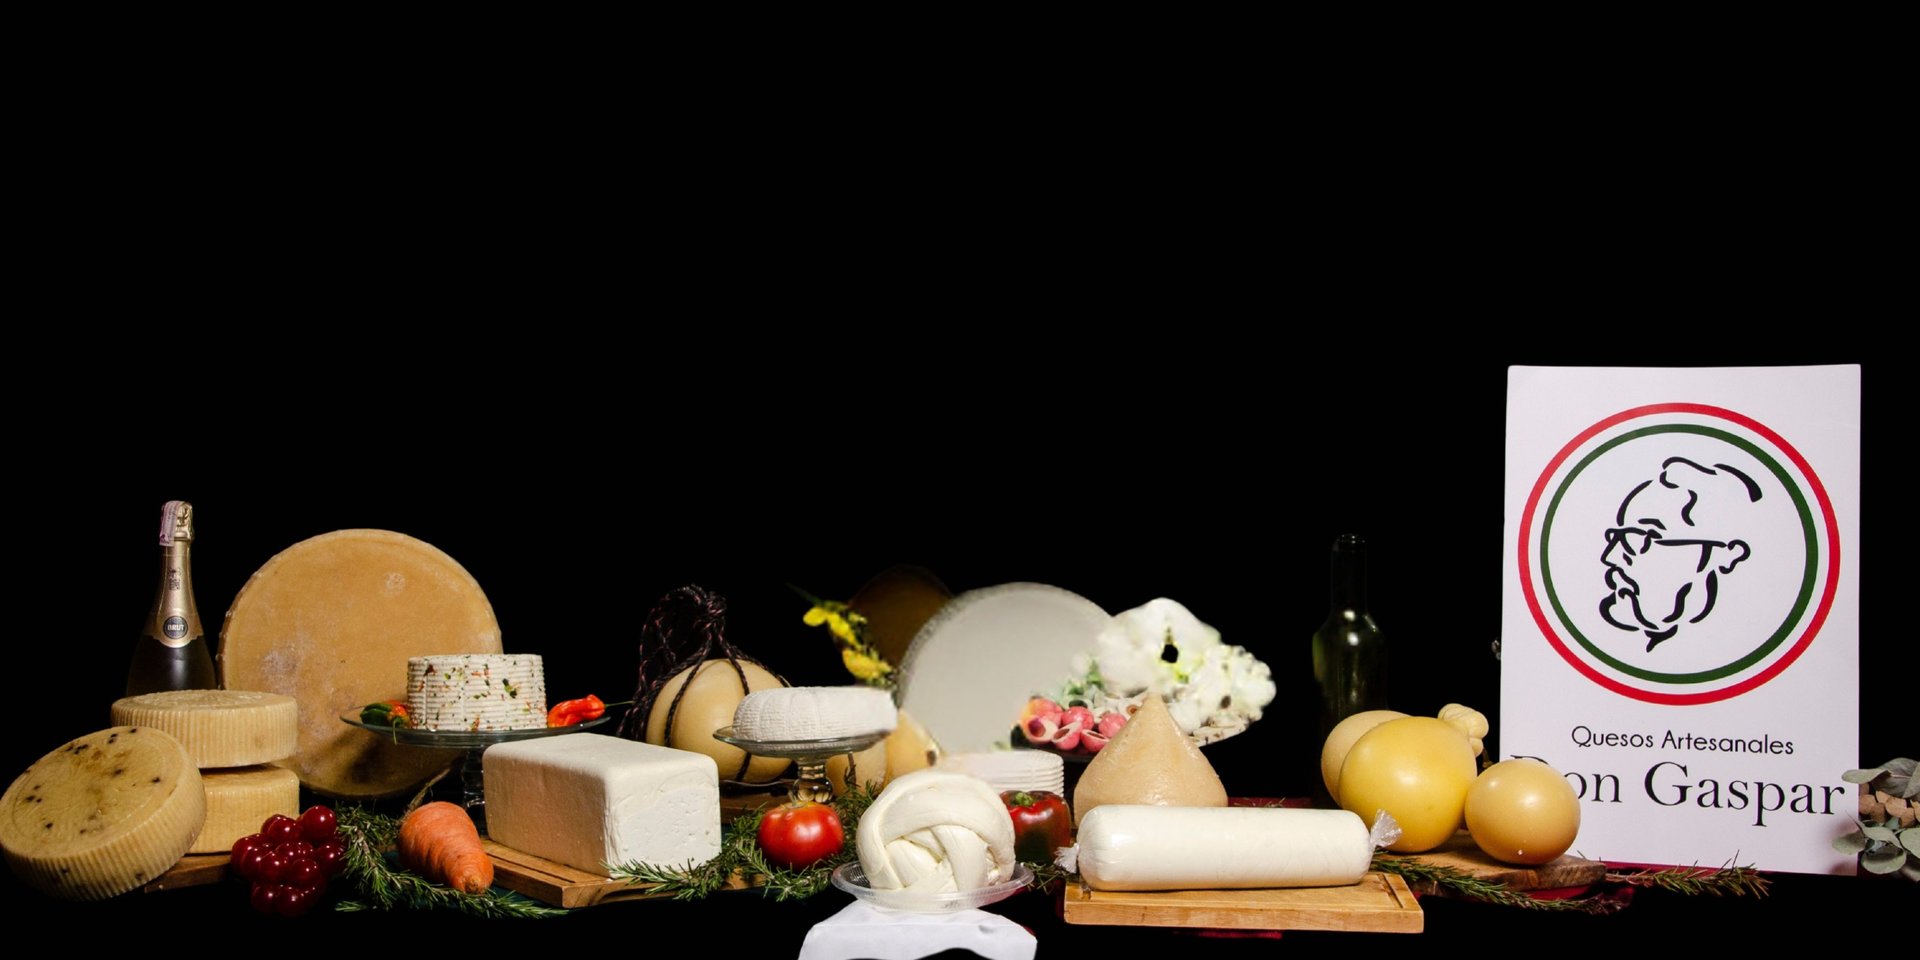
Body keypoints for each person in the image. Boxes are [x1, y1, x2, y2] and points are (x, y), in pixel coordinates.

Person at [1598, 456, 1761, 651]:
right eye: (1616, 537)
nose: (1611, 557)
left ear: (1726, 555)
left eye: (1646, 536)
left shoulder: (1734, 644)